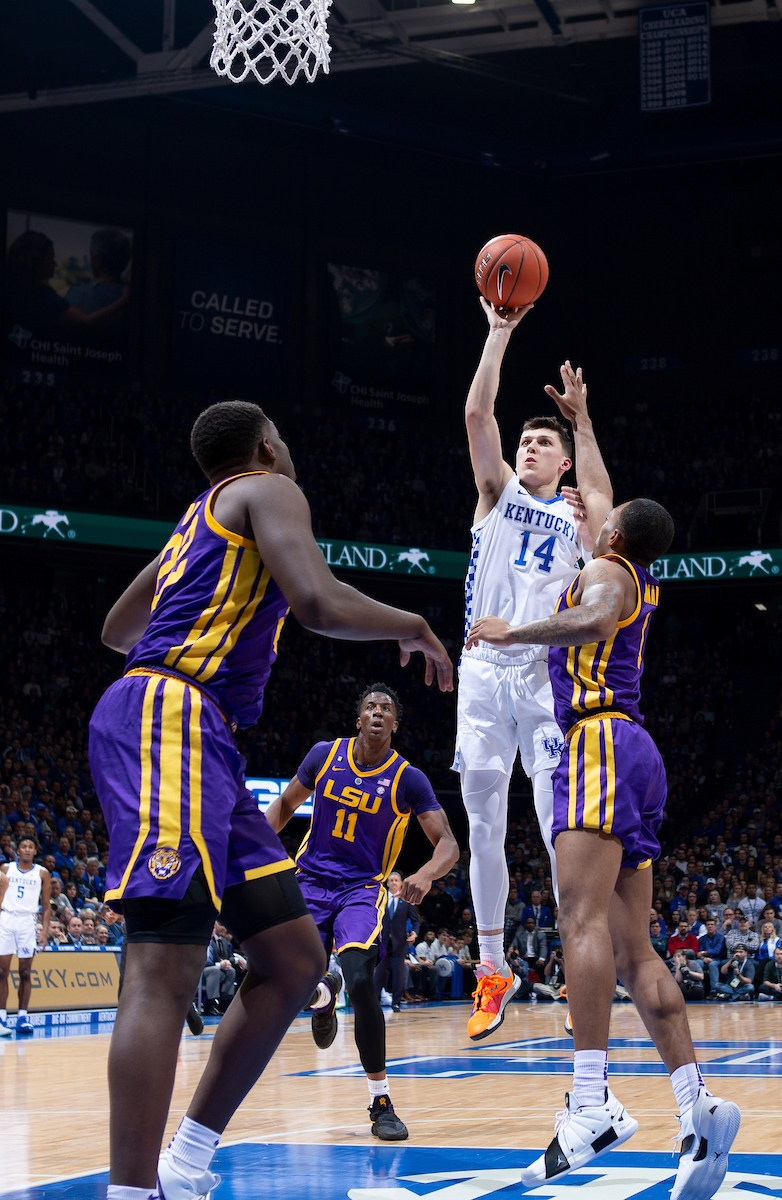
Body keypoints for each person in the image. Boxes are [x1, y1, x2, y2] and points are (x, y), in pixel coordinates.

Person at [88, 400, 453, 1200]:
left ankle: (184, 1166)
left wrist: (187, 605)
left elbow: (117, 628)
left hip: (204, 736)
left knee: (293, 961)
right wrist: (412, 622)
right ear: (264, 446)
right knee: (162, 969)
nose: (287, 451)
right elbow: (317, 601)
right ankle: (130, 1193)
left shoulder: (195, 523)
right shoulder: (268, 488)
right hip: (170, 720)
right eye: (282, 440)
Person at [465, 363, 740, 1198]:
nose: (588, 502)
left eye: (601, 509)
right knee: (631, 950)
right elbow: (600, 492)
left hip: (596, 743)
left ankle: (592, 1104)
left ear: (614, 529)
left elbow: (586, 618)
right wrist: (582, 421)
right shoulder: (630, 567)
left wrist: (515, 633)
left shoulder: (606, 574)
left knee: (576, 917)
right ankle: (697, 1106)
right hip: (635, 752)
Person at [456, 300, 598, 1041]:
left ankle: (580, 969)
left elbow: (605, 503)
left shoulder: (580, 518)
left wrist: (582, 421)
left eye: (544, 441)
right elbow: (477, 415)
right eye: (526, 441)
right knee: (483, 824)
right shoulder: (498, 493)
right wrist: (499, 332)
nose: (530, 447)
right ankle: (492, 967)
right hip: (484, 672)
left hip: (544, 674)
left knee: (553, 829)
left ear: (565, 459)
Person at [266, 683, 458, 1140]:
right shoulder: (324, 755)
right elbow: (286, 805)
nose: (377, 712)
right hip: (309, 880)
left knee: (359, 979)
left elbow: (448, 844)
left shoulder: (408, 778)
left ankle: (381, 1101)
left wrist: (426, 874)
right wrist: (249, 849)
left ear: (394, 724)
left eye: (386, 708)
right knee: (289, 981)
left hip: (361, 889)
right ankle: (322, 997)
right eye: (370, 706)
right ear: (358, 719)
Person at [0, 836, 50, 1036]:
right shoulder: (6, 869)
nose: (27, 849)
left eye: (31, 847)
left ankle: (22, 1017)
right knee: (1, 972)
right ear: (17, 850)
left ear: (35, 851)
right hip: (6, 919)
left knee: (26, 972)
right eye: (23, 846)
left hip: (28, 922)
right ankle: (1, 1017)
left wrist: (44, 931)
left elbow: (46, 905)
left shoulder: (42, 873)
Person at [374, 870, 421, 1012]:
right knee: (379, 973)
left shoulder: (406, 900)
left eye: (396, 880)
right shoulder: (381, 898)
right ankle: (375, 1003)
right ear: (387, 883)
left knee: (398, 975)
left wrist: (414, 933)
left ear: (401, 883)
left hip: (399, 943)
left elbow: (415, 920)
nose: (394, 883)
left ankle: (396, 1002)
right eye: (391, 880)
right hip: (383, 942)